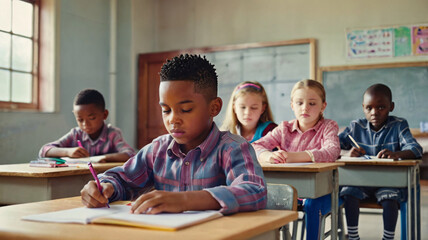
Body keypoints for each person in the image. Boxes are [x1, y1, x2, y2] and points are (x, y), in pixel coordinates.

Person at [80, 54, 267, 215]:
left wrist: (186, 200)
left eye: (185, 110)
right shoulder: (157, 150)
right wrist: (105, 187)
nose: (173, 119)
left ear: (214, 107)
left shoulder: (232, 148)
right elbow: (123, 178)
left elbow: (254, 191)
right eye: (166, 110)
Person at [252, 79, 341, 240]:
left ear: (323, 106)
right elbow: (256, 145)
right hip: (290, 190)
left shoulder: (328, 126)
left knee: (311, 204)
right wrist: (268, 156)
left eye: (312, 103)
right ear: (292, 105)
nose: (305, 108)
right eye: (299, 103)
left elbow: (332, 151)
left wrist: (294, 157)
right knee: (259, 198)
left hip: (322, 191)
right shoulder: (284, 128)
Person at [339, 83, 422, 240]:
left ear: (391, 107)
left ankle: (388, 237)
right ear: (363, 107)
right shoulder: (355, 126)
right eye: (369, 108)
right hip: (360, 181)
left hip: (389, 182)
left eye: (381, 107)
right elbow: (333, 148)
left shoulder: (398, 125)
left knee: (390, 197)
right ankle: (353, 236)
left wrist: (397, 154)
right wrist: (348, 153)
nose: (374, 113)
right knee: (349, 192)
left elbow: (416, 149)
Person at [39, 89, 136, 162]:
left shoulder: (112, 134)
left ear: (105, 115)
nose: (85, 124)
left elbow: (130, 154)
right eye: (80, 120)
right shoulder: (76, 134)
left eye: (92, 118)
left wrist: (103, 158)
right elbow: (44, 151)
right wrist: (67, 152)